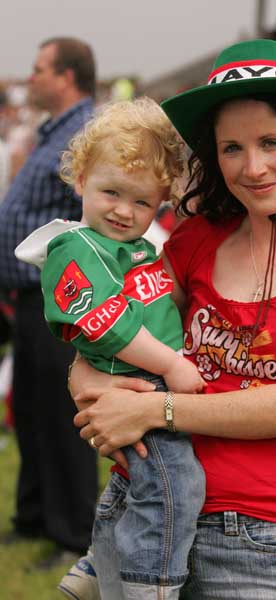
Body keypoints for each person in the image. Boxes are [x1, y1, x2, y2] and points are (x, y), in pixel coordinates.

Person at [70, 39, 276, 599]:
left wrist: (150, 409)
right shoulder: (195, 241)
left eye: (272, 142)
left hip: (258, 540)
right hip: (142, 508)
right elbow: (111, 330)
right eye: (231, 148)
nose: (253, 167)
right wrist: (92, 387)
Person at [15, 98, 206, 600]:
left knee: (134, 483)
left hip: (145, 379)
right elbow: (108, 324)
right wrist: (173, 364)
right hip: (145, 380)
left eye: (142, 203)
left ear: (161, 203)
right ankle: (150, 585)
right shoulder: (78, 248)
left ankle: (100, 568)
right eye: (111, 192)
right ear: (81, 181)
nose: (124, 210)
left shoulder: (135, 248)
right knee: (175, 488)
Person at [0, 38, 98, 566]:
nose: (30, 78)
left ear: (65, 76)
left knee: (65, 417)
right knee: (33, 413)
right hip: (27, 296)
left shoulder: (84, 132)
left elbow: (93, 213)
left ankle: (74, 534)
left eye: (39, 69)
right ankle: (34, 515)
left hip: (57, 298)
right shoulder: (54, 131)